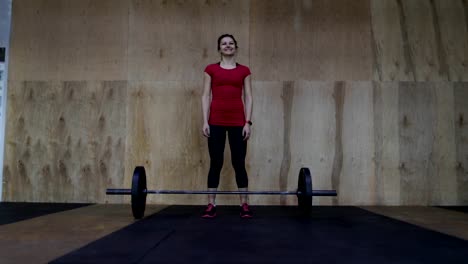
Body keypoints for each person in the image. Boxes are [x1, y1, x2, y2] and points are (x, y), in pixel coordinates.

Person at [201, 34, 253, 218]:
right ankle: (211, 205)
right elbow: (206, 95)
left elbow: (248, 96)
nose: (228, 46)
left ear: (236, 47)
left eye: (231, 43)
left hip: (238, 122)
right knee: (216, 163)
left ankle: (244, 205)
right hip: (215, 122)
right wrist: (205, 121)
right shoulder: (211, 69)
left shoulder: (244, 70)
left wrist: (247, 122)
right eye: (224, 43)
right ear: (219, 48)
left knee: (239, 163)